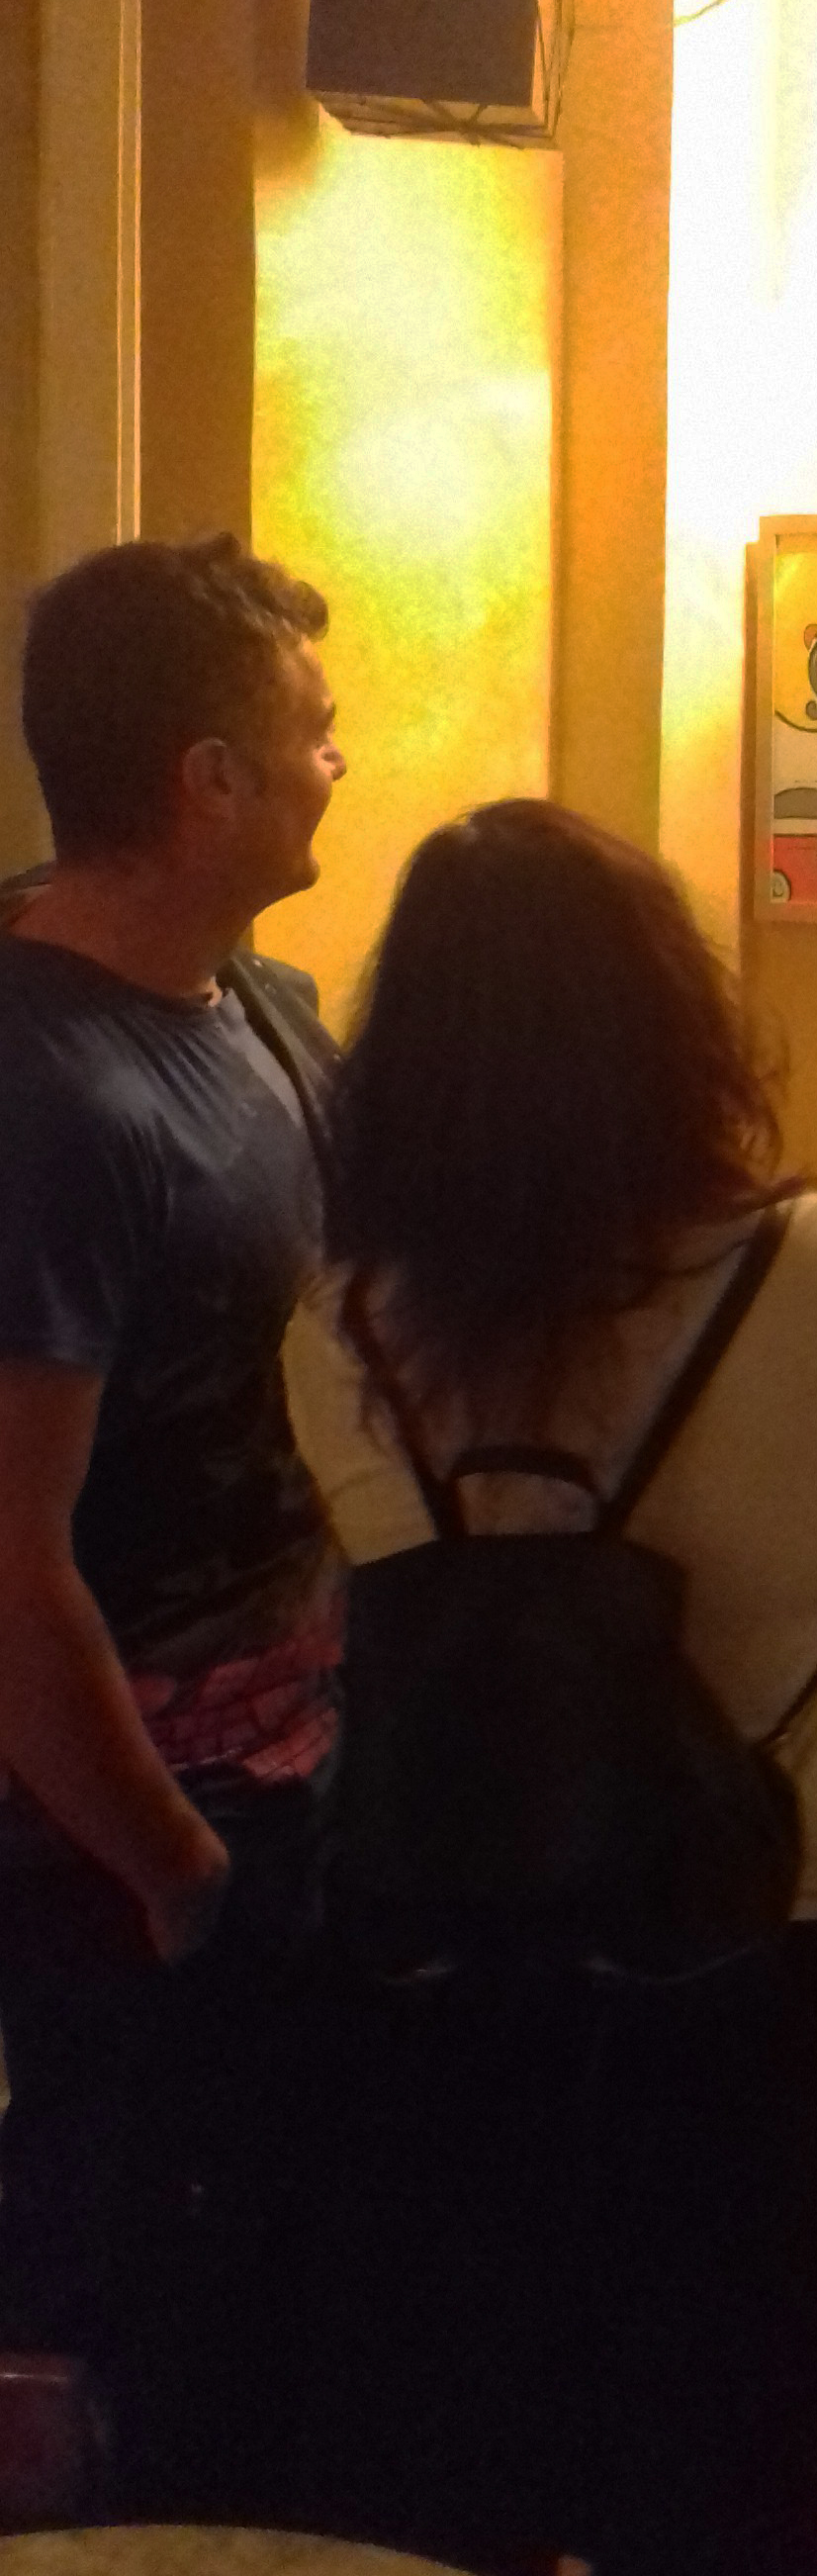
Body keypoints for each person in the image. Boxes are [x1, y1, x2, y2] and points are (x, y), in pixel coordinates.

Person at [282, 798, 817, 2576]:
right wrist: (725, 1662)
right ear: (678, 1020)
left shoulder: (345, 1326)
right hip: (752, 1966)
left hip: (442, 1984)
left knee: (469, 2473)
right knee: (751, 2490)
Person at [0, 534, 347, 2520]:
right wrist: (176, 1864)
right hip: (112, 1839)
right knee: (115, 2329)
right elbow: (9, 1560)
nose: (338, 762)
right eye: (312, 731)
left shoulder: (267, 1008)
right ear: (207, 779)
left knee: (261, 2312)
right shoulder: (47, 1096)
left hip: (284, 1775)